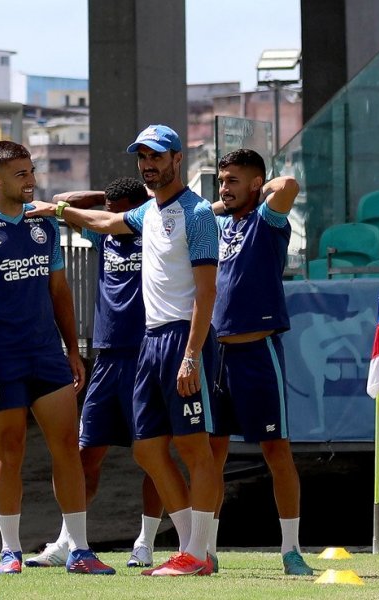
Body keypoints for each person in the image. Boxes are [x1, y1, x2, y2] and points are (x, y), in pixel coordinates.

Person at [28, 124, 221, 577]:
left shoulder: (196, 214)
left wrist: (192, 353)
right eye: (142, 157)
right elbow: (106, 221)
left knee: (196, 449)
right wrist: (55, 209)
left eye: (157, 155)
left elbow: (207, 292)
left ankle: (197, 551)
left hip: (181, 339)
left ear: (177, 159)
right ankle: (195, 550)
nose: (149, 164)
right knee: (148, 450)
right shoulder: (148, 212)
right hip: (150, 341)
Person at [0, 140, 115, 575]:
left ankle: (78, 549)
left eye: (31, 170)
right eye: (20, 173)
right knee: (11, 451)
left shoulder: (44, 226)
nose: (31, 180)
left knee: (67, 448)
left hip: (48, 357)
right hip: (2, 360)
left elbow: (59, 291)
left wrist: (73, 350)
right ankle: (10, 550)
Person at [23, 177, 166, 570]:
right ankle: (68, 540)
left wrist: (138, 204)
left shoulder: (157, 230)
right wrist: (109, 200)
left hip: (147, 353)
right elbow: (61, 201)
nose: (111, 216)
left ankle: (146, 543)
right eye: (110, 211)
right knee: (85, 455)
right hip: (107, 356)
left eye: (122, 211)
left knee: (153, 455)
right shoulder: (105, 236)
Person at [207, 149, 312, 576]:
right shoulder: (218, 224)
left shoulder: (266, 221)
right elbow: (197, 211)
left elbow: (288, 185)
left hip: (258, 354)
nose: (223, 188)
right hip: (217, 355)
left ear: (254, 182)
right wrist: (225, 202)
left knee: (276, 451)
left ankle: (290, 550)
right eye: (220, 181)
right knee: (211, 455)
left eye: (232, 180)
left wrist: (254, 191)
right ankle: (205, 550)